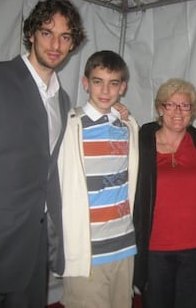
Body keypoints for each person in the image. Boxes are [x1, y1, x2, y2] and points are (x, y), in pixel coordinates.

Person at [0, 0, 84, 307]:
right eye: (47, 32)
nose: (56, 44)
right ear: (31, 34)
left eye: (65, 37)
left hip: (34, 252)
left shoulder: (62, 100)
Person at [57, 50, 138, 308]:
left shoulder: (127, 126)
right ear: (85, 83)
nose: (105, 90)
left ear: (122, 87)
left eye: (113, 83)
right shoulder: (69, 125)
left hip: (124, 245)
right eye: (97, 81)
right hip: (86, 249)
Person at [133, 78, 196, 308]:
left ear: (193, 111)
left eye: (185, 105)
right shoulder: (142, 144)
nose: (178, 111)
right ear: (160, 108)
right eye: (171, 105)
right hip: (155, 248)